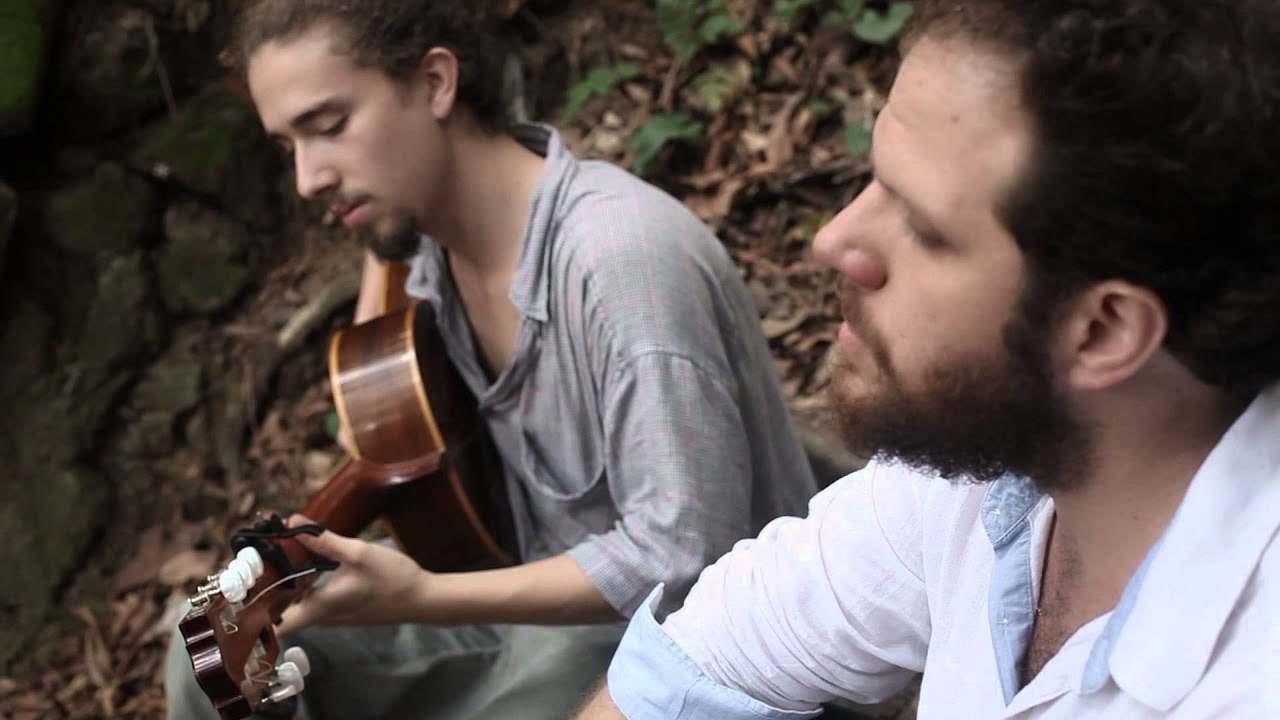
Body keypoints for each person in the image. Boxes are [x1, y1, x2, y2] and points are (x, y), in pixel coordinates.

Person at [578, 0, 1280, 718]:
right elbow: (689, 672)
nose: (836, 240)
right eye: (874, 179)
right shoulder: (988, 472)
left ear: (1102, 331)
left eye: (923, 226)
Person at [162, 2, 818, 719]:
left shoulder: (620, 260)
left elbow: (684, 559)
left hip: (699, 644)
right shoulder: (427, 259)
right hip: (542, 615)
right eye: (288, 145)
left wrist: (424, 599)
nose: (308, 179)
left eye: (329, 127)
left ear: (437, 83)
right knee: (199, 655)